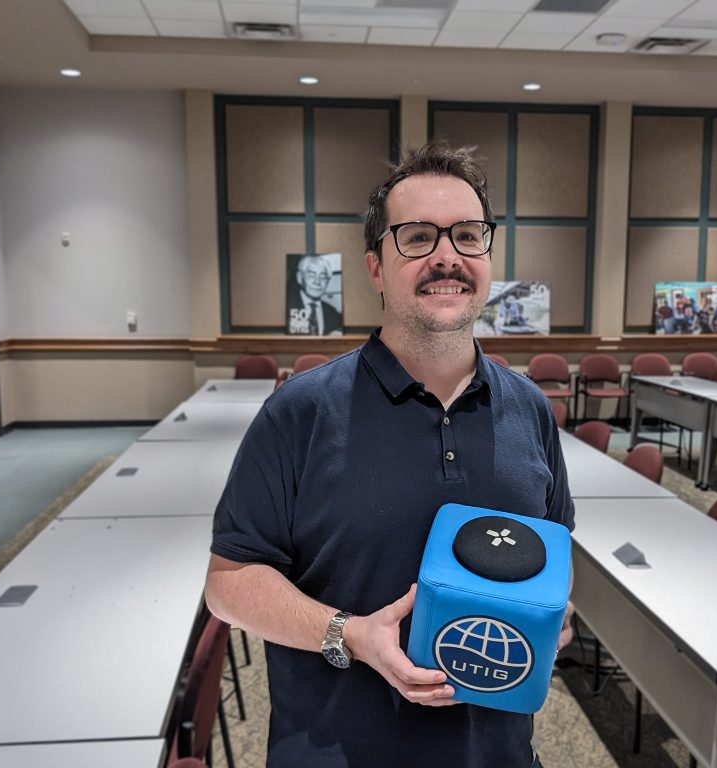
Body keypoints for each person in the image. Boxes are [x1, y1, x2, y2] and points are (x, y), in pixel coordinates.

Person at [206, 141, 575, 768]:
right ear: (375, 266)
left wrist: (553, 617)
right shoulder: (299, 412)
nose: (446, 258)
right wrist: (348, 634)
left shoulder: (530, 409)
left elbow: (555, 548)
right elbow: (230, 585)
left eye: (466, 235)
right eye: (418, 238)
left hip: (496, 754)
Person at [287, 253, 343, 336]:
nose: (317, 281)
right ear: (299, 277)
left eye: (323, 277)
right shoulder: (287, 307)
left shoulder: (332, 313)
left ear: (327, 282)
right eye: (311, 275)